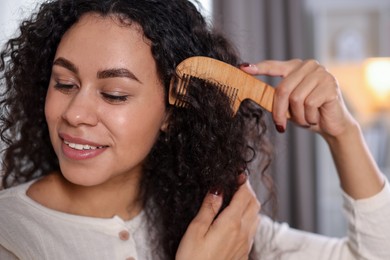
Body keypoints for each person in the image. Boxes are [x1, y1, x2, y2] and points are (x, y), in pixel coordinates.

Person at [0, 0, 389, 260]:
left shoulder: (207, 218)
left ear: (173, 111)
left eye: (114, 94)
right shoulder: (12, 235)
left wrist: (344, 132)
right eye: (64, 84)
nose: (75, 114)